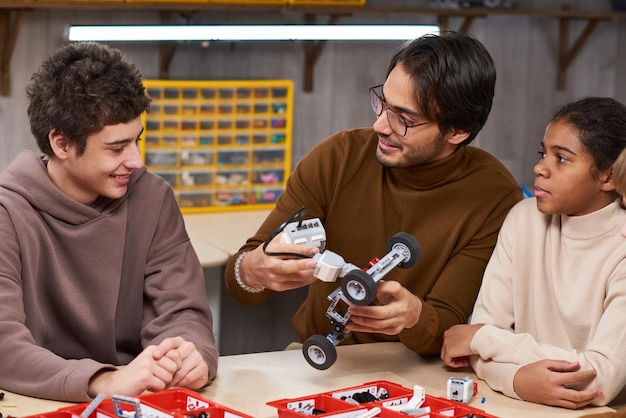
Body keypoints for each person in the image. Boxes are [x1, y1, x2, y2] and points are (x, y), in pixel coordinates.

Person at [224, 31, 522, 356]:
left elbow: (448, 326)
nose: (380, 125)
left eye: (404, 119)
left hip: (417, 369)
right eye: (382, 103)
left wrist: (413, 316)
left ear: (458, 130)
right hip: (320, 357)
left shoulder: (494, 196)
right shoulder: (338, 158)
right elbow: (242, 285)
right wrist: (251, 270)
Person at [0, 42, 218, 402]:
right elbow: (4, 345)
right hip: (35, 400)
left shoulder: (153, 198)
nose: (136, 161)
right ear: (61, 143)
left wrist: (192, 354)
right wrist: (103, 381)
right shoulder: (7, 212)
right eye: (117, 148)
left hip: (138, 398)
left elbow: (183, 311)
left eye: (137, 141)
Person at [441, 97, 626, 409]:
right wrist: (517, 381)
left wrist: (485, 341)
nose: (540, 167)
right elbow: (474, 348)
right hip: (516, 409)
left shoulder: (621, 243)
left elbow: (599, 379)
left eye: (562, 159)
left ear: (608, 177)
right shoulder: (523, 218)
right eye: (543, 153)